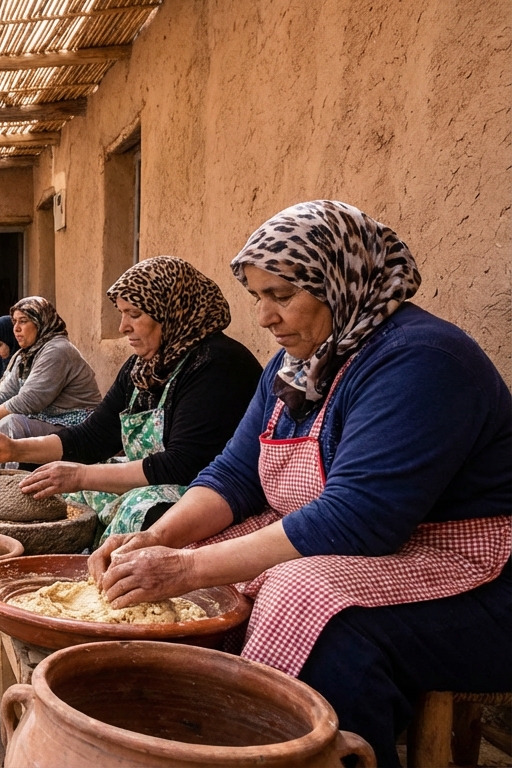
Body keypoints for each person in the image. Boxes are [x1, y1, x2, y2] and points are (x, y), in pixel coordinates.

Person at [81, 201, 512, 767]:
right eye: (259, 297)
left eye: (282, 296)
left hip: (476, 580)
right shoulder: (294, 367)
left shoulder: (421, 360)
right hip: (369, 552)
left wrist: (184, 567)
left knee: (306, 606)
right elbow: (234, 476)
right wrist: (160, 541)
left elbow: (358, 518)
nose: (263, 317)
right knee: (201, 564)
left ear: (340, 283)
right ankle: (198, 736)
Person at [0, 259, 261, 542]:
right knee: (59, 496)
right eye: (122, 313)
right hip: (156, 478)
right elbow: (94, 436)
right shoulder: (143, 367)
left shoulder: (217, 364)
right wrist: (14, 450)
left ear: (171, 311)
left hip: (206, 492)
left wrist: (82, 476)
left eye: (134, 314)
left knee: (136, 508)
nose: (123, 326)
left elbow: (182, 464)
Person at [0, 297, 102, 438]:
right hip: (50, 420)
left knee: (11, 425)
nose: (16, 328)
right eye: (14, 322)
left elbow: (28, 400)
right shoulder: (26, 354)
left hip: (78, 425)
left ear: (40, 322)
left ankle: (2, 469)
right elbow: (5, 395)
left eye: (23, 321)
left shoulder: (57, 350)